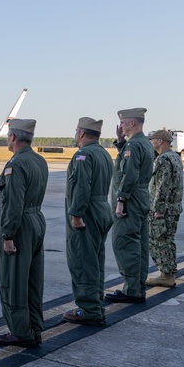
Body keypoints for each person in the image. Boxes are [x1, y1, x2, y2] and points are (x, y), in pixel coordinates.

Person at [0, 118, 49, 347]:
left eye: (8, 135)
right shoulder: (39, 160)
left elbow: (13, 203)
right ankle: (34, 327)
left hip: (21, 225)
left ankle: (20, 331)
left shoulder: (15, 165)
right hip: (37, 219)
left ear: (14, 137)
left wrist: (8, 235)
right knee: (33, 281)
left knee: (14, 279)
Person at [62, 117, 113, 326]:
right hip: (102, 209)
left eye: (76, 131)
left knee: (83, 261)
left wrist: (76, 214)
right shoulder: (104, 153)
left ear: (82, 133)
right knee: (96, 261)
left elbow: (81, 186)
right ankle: (96, 303)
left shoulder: (83, 155)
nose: (75, 135)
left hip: (87, 212)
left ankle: (89, 309)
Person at [106, 108, 154, 303]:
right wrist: (120, 142)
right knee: (140, 244)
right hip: (142, 197)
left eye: (124, 123)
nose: (121, 127)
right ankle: (138, 286)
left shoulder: (133, 145)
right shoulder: (144, 143)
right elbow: (132, 164)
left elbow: (130, 173)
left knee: (124, 242)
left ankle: (132, 290)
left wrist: (121, 200)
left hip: (131, 200)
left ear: (132, 123)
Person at [146, 129, 184, 287]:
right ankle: (168, 272)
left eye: (153, 139)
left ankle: (166, 275)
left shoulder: (163, 160)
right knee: (168, 240)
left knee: (158, 240)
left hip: (163, 209)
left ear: (160, 141)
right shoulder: (174, 157)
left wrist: (158, 209)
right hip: (174, 208)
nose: (151, 142)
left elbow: (163, 186)